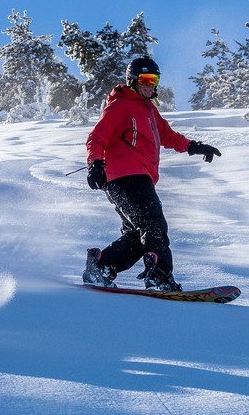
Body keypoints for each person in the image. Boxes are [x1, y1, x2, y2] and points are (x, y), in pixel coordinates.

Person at [82, 55, 221, 291]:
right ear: (132, 81)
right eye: (145, 80)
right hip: (127, 177)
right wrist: (94, 164)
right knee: (153, 224)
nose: (150, 85)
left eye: (154, 80)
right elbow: (96, 137)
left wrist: (195, 147)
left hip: (136, 178)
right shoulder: (121, 105)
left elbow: (168, 136)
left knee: (139, 235)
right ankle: (159, 277)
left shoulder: (148, 110)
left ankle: (101, 266)